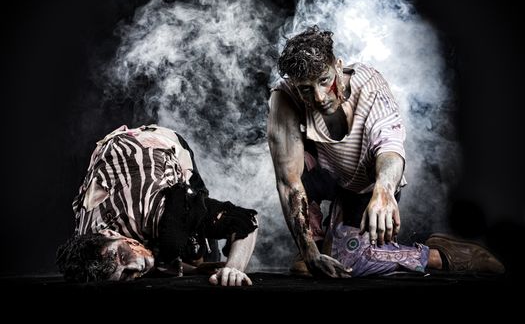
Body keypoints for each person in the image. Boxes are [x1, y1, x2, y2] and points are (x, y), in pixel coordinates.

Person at [267, 25, 504, 278]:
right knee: (308, 264)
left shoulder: (369, 85)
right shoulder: (285, 97)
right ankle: (318, 242)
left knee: (349, 264)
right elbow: (289, 180)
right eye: (306, 88)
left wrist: (384, 190)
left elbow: (389, 147)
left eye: (325, 81)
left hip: (368, 186)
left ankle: (442, 255)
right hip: (328, 177)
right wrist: (309, 251)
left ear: (338, 66)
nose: (319, 97)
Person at [56, 124, 258, 286]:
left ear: (110, 234)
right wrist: (192, 270)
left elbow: (246, 220)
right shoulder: (86, 242)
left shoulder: (162, 209)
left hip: (162, 144)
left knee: (190, 247)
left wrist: (234, 268)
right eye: (127, 275)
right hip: (115, 155)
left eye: (125, 257)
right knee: (174, 257)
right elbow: (133, 260)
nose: (137, 266)